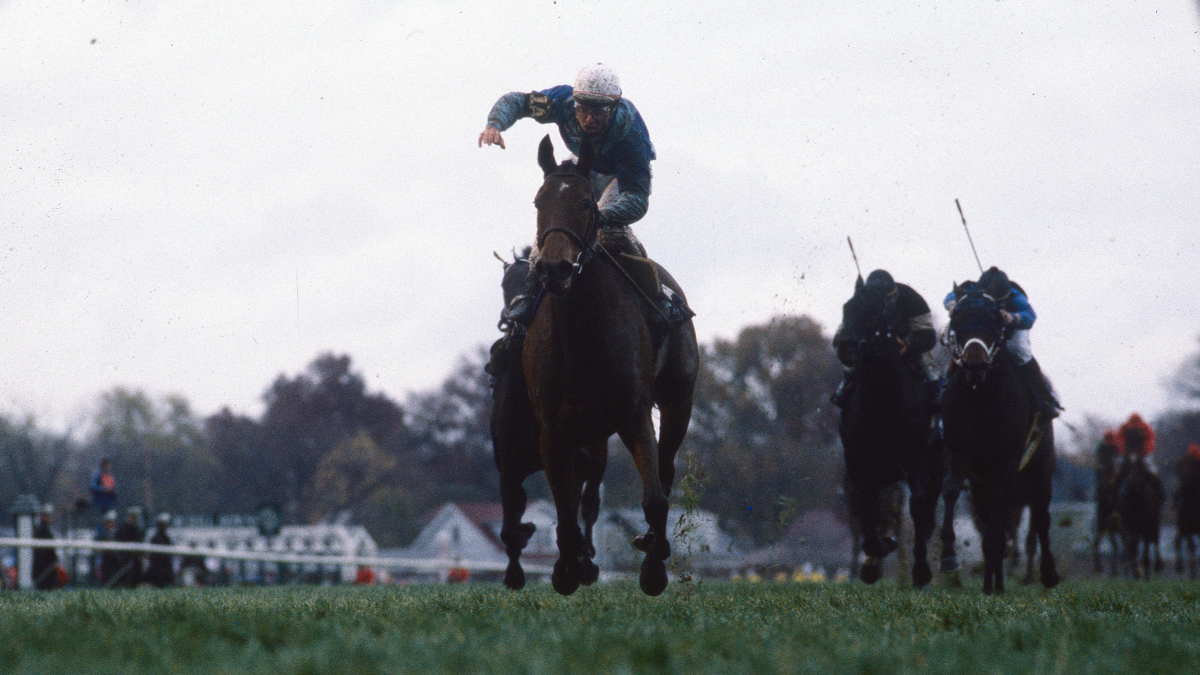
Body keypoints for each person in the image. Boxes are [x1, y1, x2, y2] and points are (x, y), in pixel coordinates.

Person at [479, 64, 688, 376]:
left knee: (608, 234)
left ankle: (658, 297)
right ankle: (527, 299)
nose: (590, 119)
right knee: (556, 225)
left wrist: (598, 217)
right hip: (586, 165)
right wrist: (495, 124)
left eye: (599, 112)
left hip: (621, 179)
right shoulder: (560, 102)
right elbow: (519, 102)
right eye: (584, 110)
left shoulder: (632, 136)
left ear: (614, 108)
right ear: (574, 104)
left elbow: (637, 200)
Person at [944, 266, 1062, 420]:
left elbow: (1030, 316)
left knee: (1020, 350)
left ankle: (1045, 396)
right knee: (958, 344)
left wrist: (1013, 317)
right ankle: (945, 388)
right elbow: (949, 296)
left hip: (1011, 327)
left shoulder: (1015, 295)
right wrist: (952, 306)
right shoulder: (971, 288)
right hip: (982, 327)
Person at [831, 270, 939, 408]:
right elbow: (844, 330)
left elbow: (928, 335)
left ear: (894, 294)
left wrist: (908, 344)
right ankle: (846, 385)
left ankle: (935, 390)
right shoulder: (863, 299)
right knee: (853, 361)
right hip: (871, 344)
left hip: (904, 345)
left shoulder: (912, 299)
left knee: (925, 360)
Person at [112, 507, 145, 588]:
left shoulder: (138, 530)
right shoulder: (122, 530)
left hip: (135, 562)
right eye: (131, 516)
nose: (133, 519)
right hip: (122, 562)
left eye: (135, 517)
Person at [32, 504, 62, 591]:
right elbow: (47, 552)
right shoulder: (43, 531)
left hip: (42, 569)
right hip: (45, 570)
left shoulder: (41, 530)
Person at [145, 512, 175, 588]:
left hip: (166, 565)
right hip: (154, 564)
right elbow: (147, 550)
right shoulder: (151, 534)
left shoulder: (169, 536)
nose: (163, 526)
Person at [95, 510, 122, 586]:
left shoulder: (119, 534)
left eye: (110, 522)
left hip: (116, 563)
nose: (108, 524)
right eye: (107, 522)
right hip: (106, 564)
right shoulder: (103, 536)